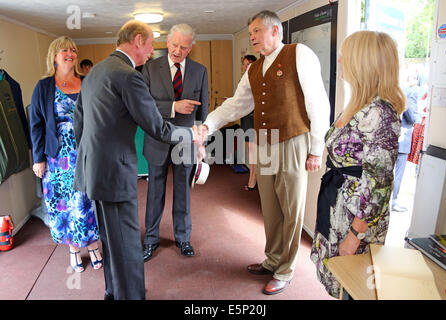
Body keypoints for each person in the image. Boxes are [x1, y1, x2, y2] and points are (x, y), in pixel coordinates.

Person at [200, 10, 330, 295]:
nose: (252, 38)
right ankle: (272, 259)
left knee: (291, 208)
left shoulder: (299, 54)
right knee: (270, 206)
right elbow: (237, 104)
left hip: (295, 140)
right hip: (265, 142)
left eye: (257, 31)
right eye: (250, 34)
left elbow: (318, 101)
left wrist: (316, 148)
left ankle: (285, 269)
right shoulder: (255, 69)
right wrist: (208, 124)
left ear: (275, 31)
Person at [73, 20, 202, 300]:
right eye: (150, 45)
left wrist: (91, 156)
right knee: (128, 241)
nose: (150, 52)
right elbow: (157, 126)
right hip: (115, 172)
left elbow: (78, 122)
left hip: (94, 169)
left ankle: (113, 291)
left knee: (110, 239)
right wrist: (191, 135)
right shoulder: (128, 75)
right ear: (138, 40)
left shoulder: (96, 72)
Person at [310, 30, 406, 299]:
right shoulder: (358, 104)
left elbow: (378, 186)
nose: (340, 61)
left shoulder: (381, 113)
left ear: (363, 63)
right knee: (342, 285)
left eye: (346, 56)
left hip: (356, 221)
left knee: (354, 288)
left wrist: (354, 235)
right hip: (339, 206)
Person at [29, 36, 103, 274]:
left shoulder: (86, 82)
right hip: (57, 158)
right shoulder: (44, 86)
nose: (70, 53)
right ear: (54, 56)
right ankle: (73, 249)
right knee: (64, 206)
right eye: (64, 50)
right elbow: (36, 124)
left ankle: (92, 245)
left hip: (86, 153)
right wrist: (38, 158)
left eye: (73, 50)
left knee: (86, 202)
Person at [141, 24, 209, 260]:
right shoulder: (149, 68)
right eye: (173, 45)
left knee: (183, 193)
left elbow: (203, 114)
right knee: (154, 193)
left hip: (187, 142)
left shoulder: (200, 71)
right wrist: (173, 107)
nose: (177, 51)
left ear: (191, 48)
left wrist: (201, 144)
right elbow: (144, 106)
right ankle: (150, 239)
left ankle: (183, 238)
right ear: (167, 42)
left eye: (183, 47)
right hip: (157, 140)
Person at [392, 68, 421, 212]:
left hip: (392, 137)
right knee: (399, 171)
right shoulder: (412, 91)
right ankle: (393, 201)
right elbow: (411, 115)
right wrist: (418, 118)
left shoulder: (397, 89)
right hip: (403, 136)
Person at [239, 54, 258, 191]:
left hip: (253, 119)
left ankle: (253, 181)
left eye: (249, 64)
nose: (245, 67)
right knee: (250, 152)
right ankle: (252, 179)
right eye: (244, 64)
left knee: (253, 153)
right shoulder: (244, 80)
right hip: (245, 118)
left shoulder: (256, 79)